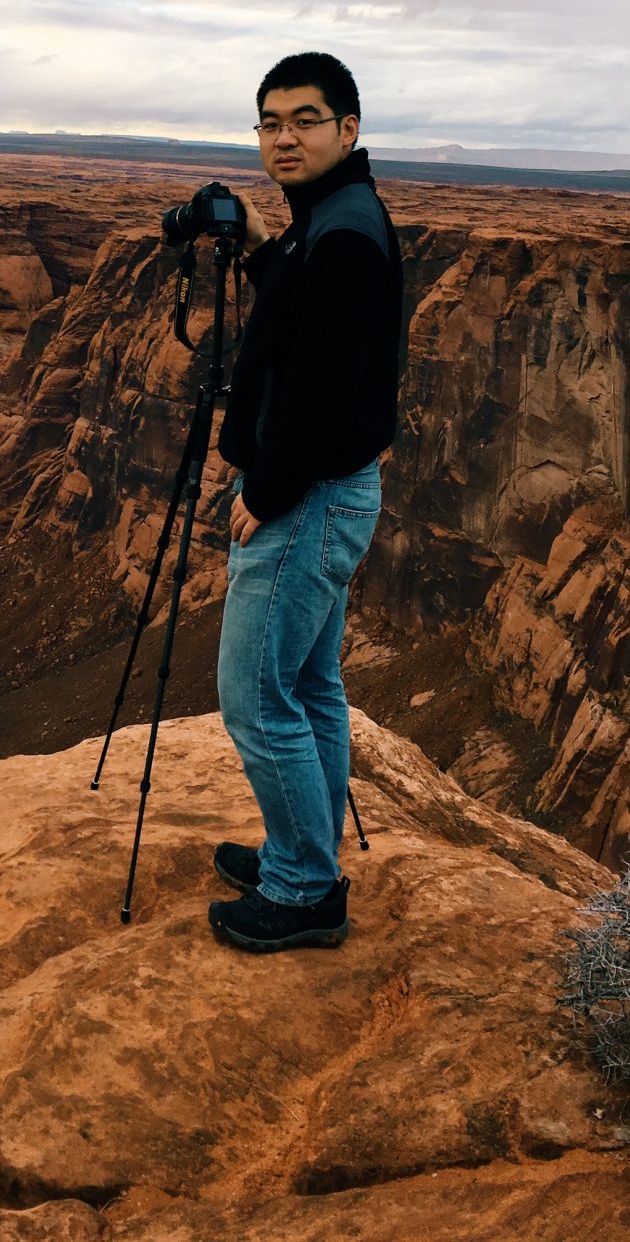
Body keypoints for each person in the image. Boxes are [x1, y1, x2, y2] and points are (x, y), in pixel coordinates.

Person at [207, 51, 404, 953]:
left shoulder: (347, 234)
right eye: (269, 121)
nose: (284, 136)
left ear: (347, 128)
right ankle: (308, 849)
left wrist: (270, 487)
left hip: (308, 498)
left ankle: (302, 888)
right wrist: (255, 245)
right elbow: (299, 320)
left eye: (305, 118)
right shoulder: (327, 218)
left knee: (255, 697)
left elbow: (323, 386)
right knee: (312, 686)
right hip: (330, 493)